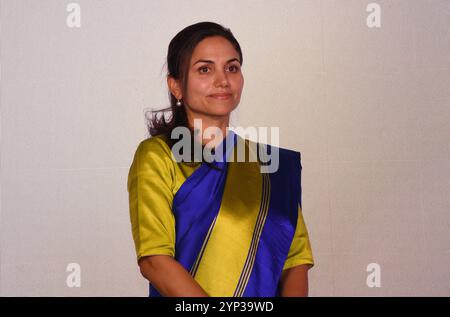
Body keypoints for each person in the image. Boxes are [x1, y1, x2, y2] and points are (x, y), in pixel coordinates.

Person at [127, 21, 314, 297]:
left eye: (232, 67)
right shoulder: (158, 156)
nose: (222, 80)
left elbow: (295, 260)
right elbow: (154, 261)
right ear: (176, 86)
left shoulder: (268, 163)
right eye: (205, 69)